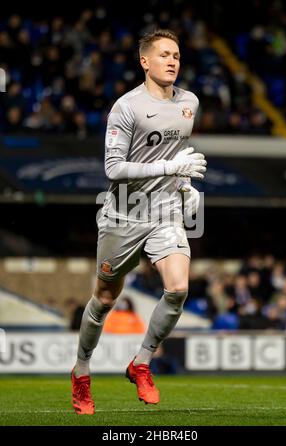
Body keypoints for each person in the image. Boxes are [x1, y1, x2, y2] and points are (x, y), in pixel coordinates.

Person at [71, 29, 207, 415]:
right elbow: (113, 168)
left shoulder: (189, 103)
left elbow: (174, 152)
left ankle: (142, 362)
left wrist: (183, 185)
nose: (172, 61)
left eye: (177, 55)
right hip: (123, 214)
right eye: (164, 54)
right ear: (144, 61)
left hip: (165, 212)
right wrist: (172, 166)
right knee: (105, 298)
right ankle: (81, 371)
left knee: (178, 288)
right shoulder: (126, 107)